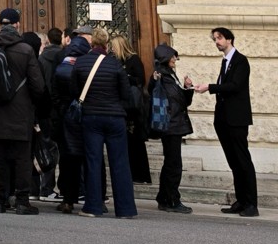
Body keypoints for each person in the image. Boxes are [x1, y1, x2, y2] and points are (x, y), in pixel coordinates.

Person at [191, 27, 259, 216]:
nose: (217, 42)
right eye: (215, 39)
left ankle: (251, 204)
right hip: (223, 119)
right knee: (233, 162)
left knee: (243, 161)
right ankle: (241, 201)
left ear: (229, 39)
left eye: (219, 38)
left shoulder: (240, 61)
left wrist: (209, 87)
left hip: (237, 119)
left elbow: (235, 86)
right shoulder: (225, 62)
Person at [71, 26, 137, 219]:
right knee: (120, 163)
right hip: (115, 117)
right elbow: (126, 93)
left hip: (91, 117)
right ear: (107, 44)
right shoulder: (115, 64)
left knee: (93, 161)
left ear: (91, 43)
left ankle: (93, 206)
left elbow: (74, 90)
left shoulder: (81, 63)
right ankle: (125, 209)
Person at [0, 9, 45, 215]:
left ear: (0, 24)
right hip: (21, 113)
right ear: (17, 25)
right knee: (22, 159)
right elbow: (38, 86)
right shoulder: (26, 50)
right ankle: (21, 201)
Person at [53, 28, 92, 215]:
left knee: (67, 157)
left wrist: (58, 110)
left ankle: (68, 199)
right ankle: (94, 198)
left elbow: (52, 88)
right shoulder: (90, 60)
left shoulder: (60, 57)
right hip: (86, 114)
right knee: (90, 156)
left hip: (65, 115)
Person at [151, 44, 194, 214]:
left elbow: (183, 101)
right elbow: (153, 94)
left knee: (171, 163)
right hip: (170, 125)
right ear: (165, 58)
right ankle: (172, 200)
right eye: (173, 56)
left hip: (174, 124)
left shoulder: (170, 75)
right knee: (174, 165)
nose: (175, 59)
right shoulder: (160, 76)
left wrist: (188, 88)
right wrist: (154, 81)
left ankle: (164, 198)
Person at [110, 32, 151, 185]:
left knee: (136, 142)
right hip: (121, 106)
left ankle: (140, 174)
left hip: (133, 109)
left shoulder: (133, 59)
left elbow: (140, 80)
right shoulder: (114, 60)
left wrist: (125, 77)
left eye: (113, 47)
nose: (111, 49)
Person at [39, 28, 66, 201]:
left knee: (45, 148)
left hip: (44, 108)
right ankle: (63, 187)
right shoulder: (64, 56)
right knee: (62, 148)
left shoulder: (41, 58)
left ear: (48, 40)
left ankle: (45, 187)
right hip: (60, 108)